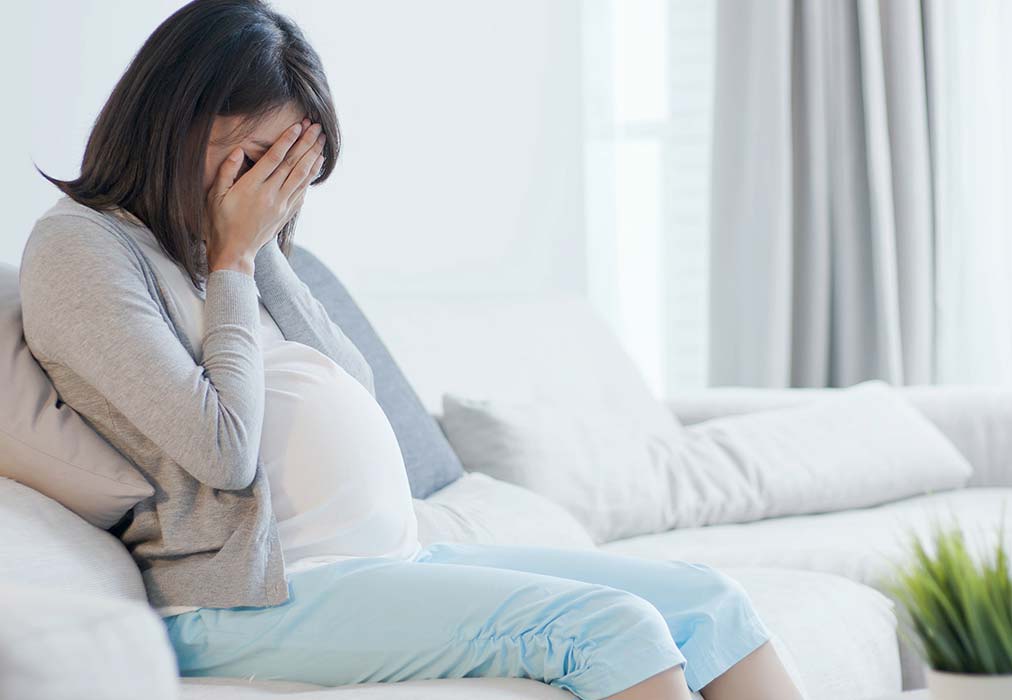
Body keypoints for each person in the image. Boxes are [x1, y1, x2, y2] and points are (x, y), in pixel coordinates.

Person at [18, 2, 803, 699]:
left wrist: (262, 250)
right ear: (174, 118)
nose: (264, 185)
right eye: (254, 158)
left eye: (288, 167)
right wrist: (233, 259)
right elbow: (221, 453)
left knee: (708, 600)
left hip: (388, 565)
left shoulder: (221, 246)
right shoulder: (82, 247)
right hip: (245, 599)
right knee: (608, 626)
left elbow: (355, 389)